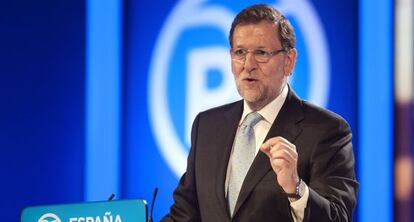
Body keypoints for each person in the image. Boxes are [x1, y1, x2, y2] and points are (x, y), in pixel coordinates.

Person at [162, 4, 358, 222]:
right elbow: (184, 214)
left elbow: (339, 218)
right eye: (240, 52)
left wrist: (296, 189)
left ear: (289, 61)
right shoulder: (207, 126)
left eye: (261, 53)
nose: (248, 65)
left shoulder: (327, 130)